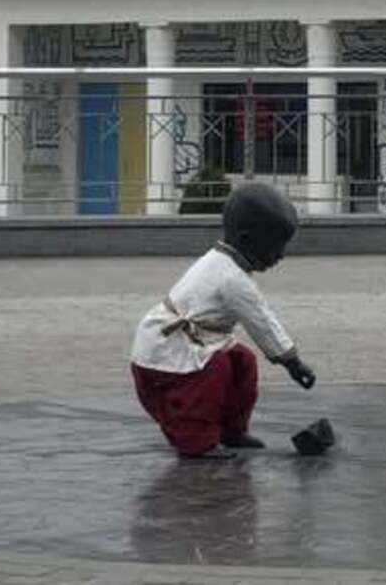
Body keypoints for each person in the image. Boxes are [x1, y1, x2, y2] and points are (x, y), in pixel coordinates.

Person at [130, 182, 317, 459]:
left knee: (242, 361)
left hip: (183, 344)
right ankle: (197, 442)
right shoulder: (232, 278)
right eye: (275, 247)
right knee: (215, 370)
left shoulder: (221, 260)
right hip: (165, 355)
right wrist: (292, 361)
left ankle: (232, 430)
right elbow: (263, 323)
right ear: (245, 240)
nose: (280, 256)